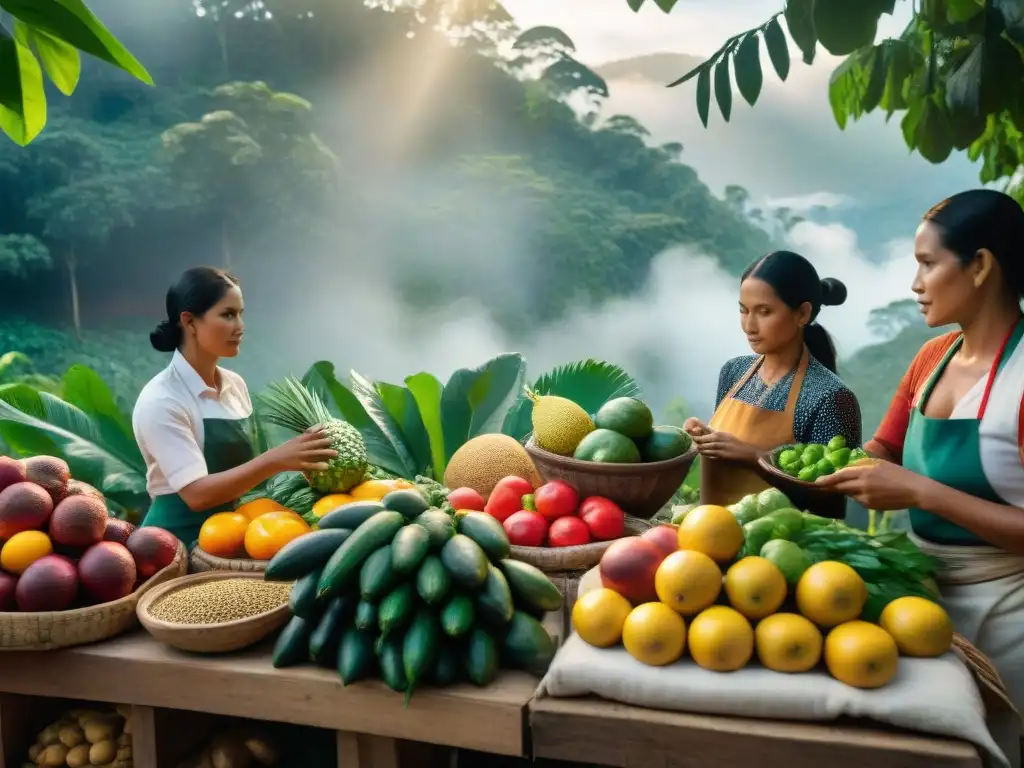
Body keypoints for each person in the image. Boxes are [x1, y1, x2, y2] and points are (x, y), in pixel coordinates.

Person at [817, 190, 1024, 762]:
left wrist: (921, 491)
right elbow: (883, 449)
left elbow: (910, 481)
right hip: (920, 599)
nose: (914, 283)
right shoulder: (932, 358)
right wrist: (811, 463)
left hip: (1009, 612)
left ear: (980, 266)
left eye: (928, 264)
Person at [132, 267, 337, 545]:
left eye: (240, 314)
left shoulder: (234, 385)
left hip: (240, 535)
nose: (240, 326)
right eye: (228, 315)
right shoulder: (162, 400)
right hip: (175, 547)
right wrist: (276, 459)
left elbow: (247, 472)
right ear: (189, 321)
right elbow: (197, 495)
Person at [684, 250, 862, 507]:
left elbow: (830, 500)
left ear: (802, 314)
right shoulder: (734, 372)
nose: (749, 326)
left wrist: (754, 458)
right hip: (709, 534)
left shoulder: (830, 398)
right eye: (744, 311)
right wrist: (703, 436)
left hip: (781, 542)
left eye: (764, 312)